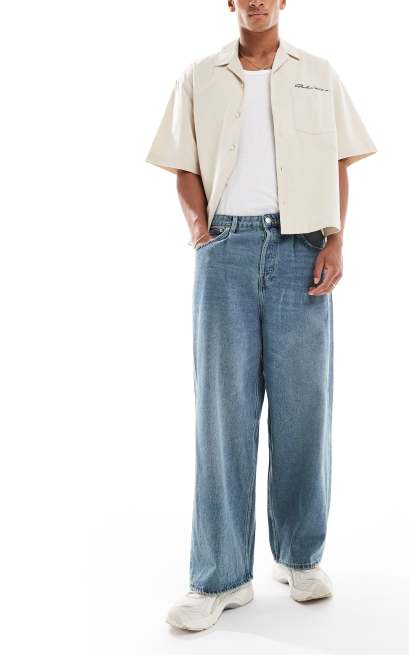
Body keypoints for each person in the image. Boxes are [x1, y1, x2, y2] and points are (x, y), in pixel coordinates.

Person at [145, 0, 377, 632]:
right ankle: (220, 577)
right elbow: (183, 165)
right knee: (223, 412)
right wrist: (201, 233)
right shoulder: (199, 75)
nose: (255, 0)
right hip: (225, 249)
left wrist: (336, 239)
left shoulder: (318, 73)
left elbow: (339, 163)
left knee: (305, 406)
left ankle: (301, 556)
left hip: (303, 247)